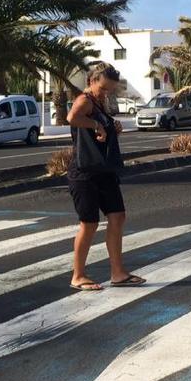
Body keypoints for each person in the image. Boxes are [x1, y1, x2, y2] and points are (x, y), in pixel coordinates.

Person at [66, 62, 145, 291]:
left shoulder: (99, 103)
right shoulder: (85, 100)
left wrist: (112, 127)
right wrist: (96, 125)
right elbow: (72, 118)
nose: (106, 93)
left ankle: (118, 273)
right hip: (84, 173)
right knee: (89, 224)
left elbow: (100, 127)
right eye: (103, 88)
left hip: (104, 170)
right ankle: (78, 275)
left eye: (109, 89)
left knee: (117, 216)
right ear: (92, 81)